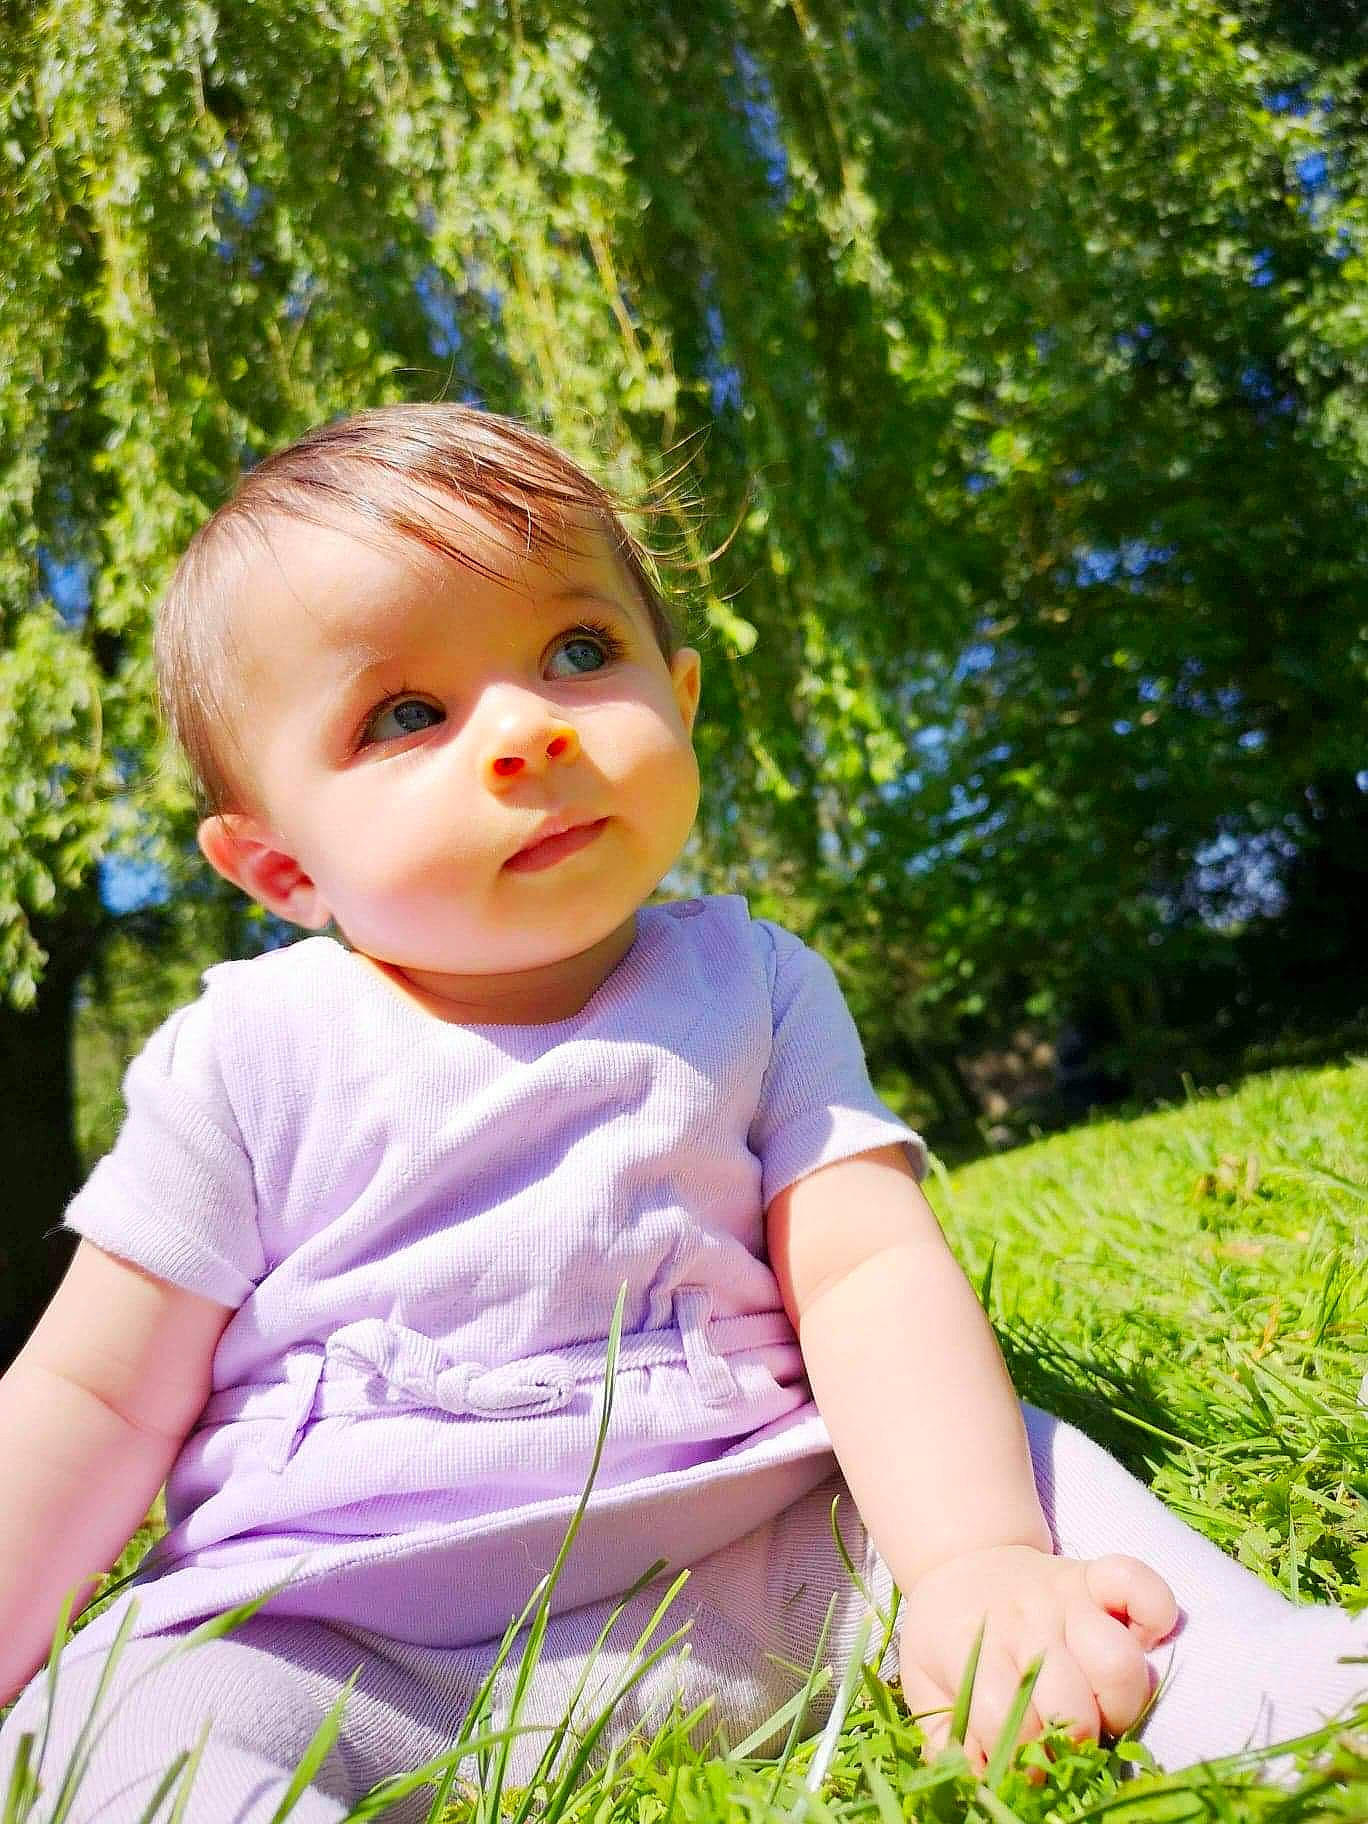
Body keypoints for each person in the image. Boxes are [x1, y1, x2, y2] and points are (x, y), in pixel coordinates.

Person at [0, 405, 1361, 1822]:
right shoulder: (247, 1051)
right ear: (281, 866)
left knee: (1015, 1461)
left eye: (579, 652)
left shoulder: (753, 984)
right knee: (115, 1723)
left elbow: (866, 1269)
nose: (526, 728)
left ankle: (1261, 1683)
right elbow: (94, 1393)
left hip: (759, 1560)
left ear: (683, 695)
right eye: (406, 714)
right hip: (344, 1638)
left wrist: (969, 1560)